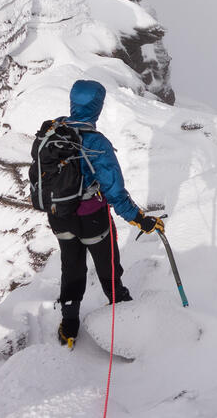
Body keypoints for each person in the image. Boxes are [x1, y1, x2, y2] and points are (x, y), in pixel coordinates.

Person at [48, 79, 164, 346]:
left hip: (59, 217)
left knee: (71, 266)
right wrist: (140, 220)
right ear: (96, 108)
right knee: (108, 266)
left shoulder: (54, 134)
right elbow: (115, 192)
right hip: (93, 219)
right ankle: (122, 310)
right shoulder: (96, 143)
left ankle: (69, 325)